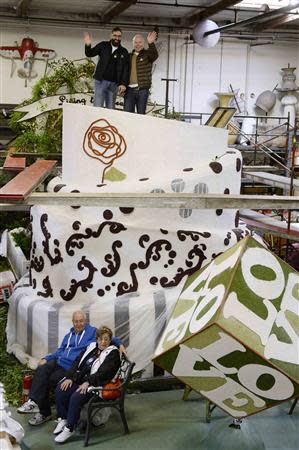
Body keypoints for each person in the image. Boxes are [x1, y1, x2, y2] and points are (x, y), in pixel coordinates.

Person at [17, 311, 124, 426]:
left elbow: (108, 336)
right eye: (76, 321)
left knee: (47, 380)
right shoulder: (69, 336)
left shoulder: (92, 331)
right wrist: (47, 358)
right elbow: (60, 351)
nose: (79, 324)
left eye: (81, 321)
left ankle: (45, 413)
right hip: (58, 362)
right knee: (42, 368)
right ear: (73, 322)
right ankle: (33, 402)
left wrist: (120, 344)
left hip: (70, 367)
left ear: (85, 321)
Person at [53, 325, 121, 443]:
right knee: (61, 389)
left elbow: (104, 374)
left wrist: (88, 382)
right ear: (97, 339)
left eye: (106, 339)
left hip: (98, 385)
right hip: (81, 380)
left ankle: (70, 428)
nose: (103, 342)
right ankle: (63, 419)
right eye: (101, 339)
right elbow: (77, 362)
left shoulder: (113, 353)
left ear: (110, 340)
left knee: (76, 396)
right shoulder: (91, 347)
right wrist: (69, 377)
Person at [84, 27, 129, 108]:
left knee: (110, 109)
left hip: (114, 85)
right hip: (100, 81)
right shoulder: (103, 45)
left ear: (121, 37)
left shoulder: (124, 52)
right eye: (115, 35)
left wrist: (123, 84)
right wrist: (88, 44)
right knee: (98, 106)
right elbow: (89, 53)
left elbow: (126, 69)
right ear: (111, 36)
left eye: (119, 36)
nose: (117, 38)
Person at [124, 31, 158, 115]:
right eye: (135, 42)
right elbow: (124, 72)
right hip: (129, 91)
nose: (137, 44)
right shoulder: (128, 56)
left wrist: (151, 43)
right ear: (132, 43)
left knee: (141, 116)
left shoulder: (147, 54)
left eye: (140, 42)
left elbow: (155, 55)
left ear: (143, 43)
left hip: (142, 90)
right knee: (127, 116)